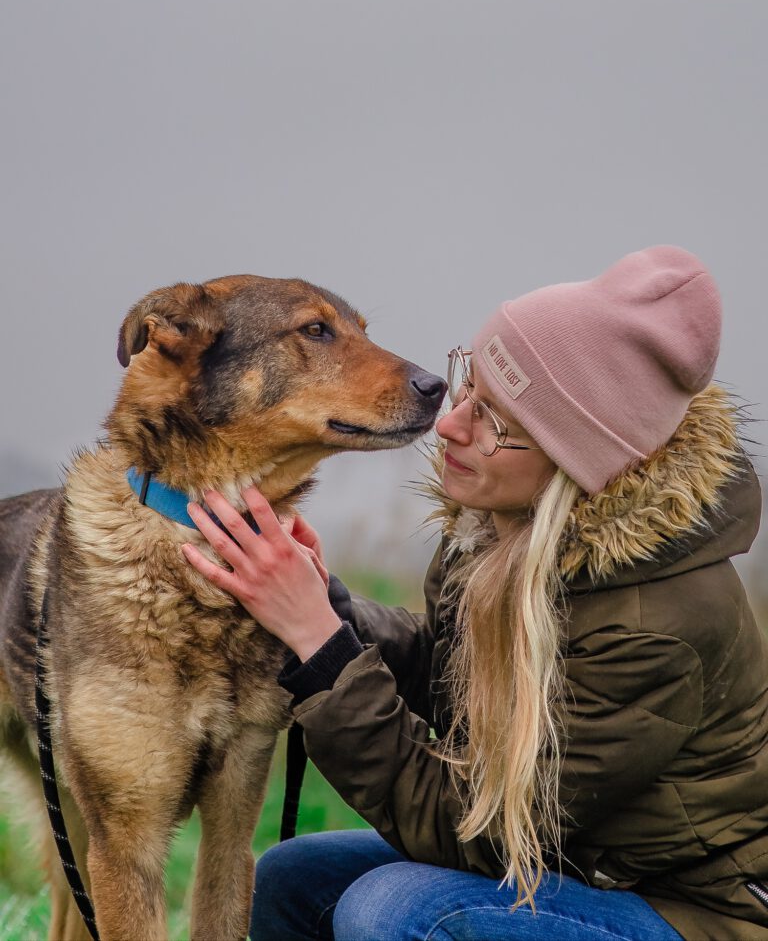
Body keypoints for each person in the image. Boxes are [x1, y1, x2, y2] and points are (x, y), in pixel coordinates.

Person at [181, 245, 768, 941]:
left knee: (398, 913)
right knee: (289, 877)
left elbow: (470, 828)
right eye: (470, 389)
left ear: (574, 463)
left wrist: (321, 649)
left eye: (497, 423)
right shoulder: (501, 531)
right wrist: (327, 606)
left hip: (682, 911)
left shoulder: (659, 627)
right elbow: (455, 680)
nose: (451, 425)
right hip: (573, 863)